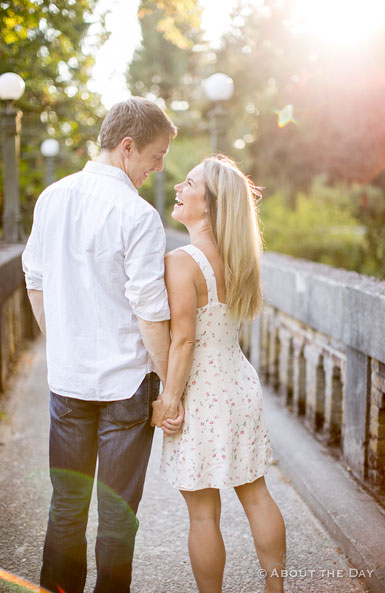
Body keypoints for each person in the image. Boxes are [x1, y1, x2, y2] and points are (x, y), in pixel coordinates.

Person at [22, 97, 183, 593]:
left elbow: (34, 278)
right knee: (116, 514)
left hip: (68, 380)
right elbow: (151, 314)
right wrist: (169, 389)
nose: (159, 167)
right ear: (127, 146)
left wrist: (62, 341)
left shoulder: (52, 196)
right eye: (155, 156)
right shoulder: (138, 215)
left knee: (66, 506)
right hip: (127, 385)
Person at [152, 155, 287, 593]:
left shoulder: (182, 261)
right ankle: (276, 587)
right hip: (238, 383)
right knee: (257, 494)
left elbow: (184, 341)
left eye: (188, 183)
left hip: (202, 391)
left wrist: (169, 401)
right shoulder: (240, 256)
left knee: (203, 514)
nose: (177, 187)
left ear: (208, 205)